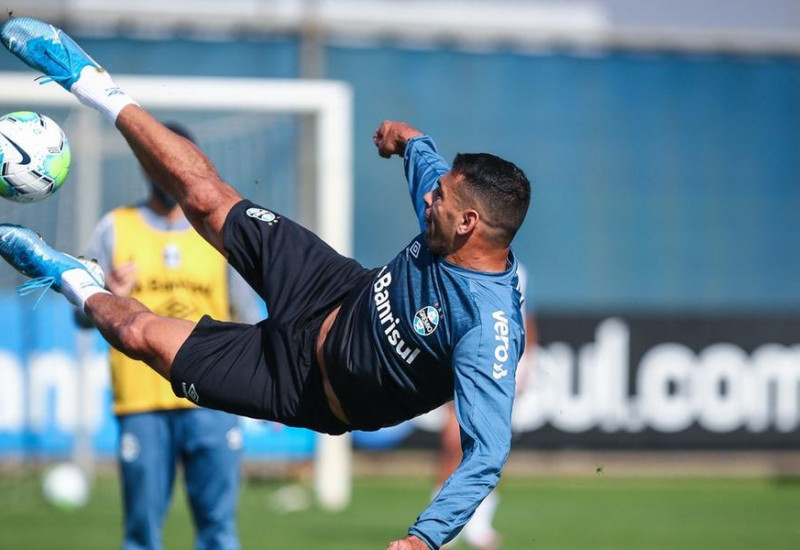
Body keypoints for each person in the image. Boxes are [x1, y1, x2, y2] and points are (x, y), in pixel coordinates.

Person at [0, 17, 531, 550]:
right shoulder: (450, 214)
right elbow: (424, 154)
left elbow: (487, 453)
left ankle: (71, 278)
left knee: (139, 336)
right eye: (435, 191)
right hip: (331, 288)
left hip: (304, 389)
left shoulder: (488, 328)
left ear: (469, 225)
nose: (428, 201)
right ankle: (87, 79)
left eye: (440, 200)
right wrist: (406, 139)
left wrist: (424, 539)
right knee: (207, 200)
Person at [74, 122, 263, 550]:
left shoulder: (219, 230)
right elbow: (81, 319)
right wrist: (106, 297)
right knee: (141, 533)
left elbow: (248, 317)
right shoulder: (114, 228)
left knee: (218, 530)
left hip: (213, 400)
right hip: (142, 403)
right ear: (147, 167)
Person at [436, 265, 538, 550]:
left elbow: (525, 316)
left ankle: (479, 523)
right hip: (463, 355)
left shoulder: (519, 272)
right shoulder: (456, 262)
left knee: (492, 445)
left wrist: (528, 360)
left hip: (498, 364)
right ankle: (440, 520)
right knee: (452, 440)